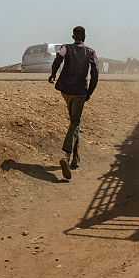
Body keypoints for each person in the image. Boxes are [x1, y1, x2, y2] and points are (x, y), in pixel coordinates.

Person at [48, 26, 99, 180]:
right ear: (84, 36)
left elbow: (58, 59)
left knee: (73, 123)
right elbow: (95, 72)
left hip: (66, 91)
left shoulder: (66, 47)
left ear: (73, 36)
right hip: (79, 92)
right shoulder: (90, 51)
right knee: (75, 123)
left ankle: (75, 158)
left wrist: (52, 74)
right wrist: (90, 91)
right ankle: (66, 155)